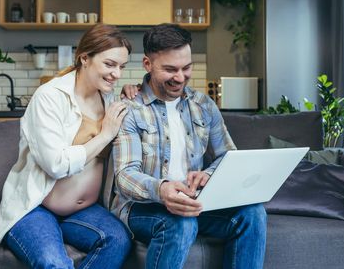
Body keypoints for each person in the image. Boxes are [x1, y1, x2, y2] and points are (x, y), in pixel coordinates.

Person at [110, 23, 267, 269]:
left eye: (186, 68)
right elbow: (125, 176)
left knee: (252, 213)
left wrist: (208, 174)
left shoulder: (203, 105)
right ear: (147, 65)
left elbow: (229, 156)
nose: (180, 77)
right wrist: (162, 190)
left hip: (193, 200)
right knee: (181, 222)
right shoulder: (130, 108)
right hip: (142, 207)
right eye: (170, 69)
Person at [0, 24, 133, 269]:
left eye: (122, 66)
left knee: (118, 240)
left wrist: (137, 89)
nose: (117, 74)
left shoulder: (109, 98)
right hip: (36, 208)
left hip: (83, 212)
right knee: (53, 263)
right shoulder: (49, 96)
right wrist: (105, 135)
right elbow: (55, 165)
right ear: (85, 58)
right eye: (110, 64)